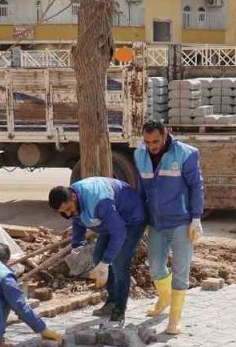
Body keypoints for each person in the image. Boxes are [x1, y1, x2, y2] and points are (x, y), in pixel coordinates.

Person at [134, 120, 204, 335]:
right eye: (147, 142)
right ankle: (164, 298)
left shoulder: (186, 153)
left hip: (181, 222)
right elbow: (140, 190)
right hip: (156, 222)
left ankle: (175, 319)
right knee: (155, 266)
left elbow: (196, 186)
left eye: (156, 141)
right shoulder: (140, 155)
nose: (152, 146)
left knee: (181, 271)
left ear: (166, 135)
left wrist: (196, 217)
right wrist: (139, 218)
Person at [48, 176, 146, 323]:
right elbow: (77, 219)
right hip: (111, 220)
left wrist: (106, 262)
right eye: (63, 212)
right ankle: (112, 300)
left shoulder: (99, 201)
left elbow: (119, 232)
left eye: (68, 209)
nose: (68, 214)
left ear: (74, 197)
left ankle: (120, 309)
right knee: (97, 255)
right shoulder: (71, 200)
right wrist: (77, 244)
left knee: (119, 262)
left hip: (132, 218)